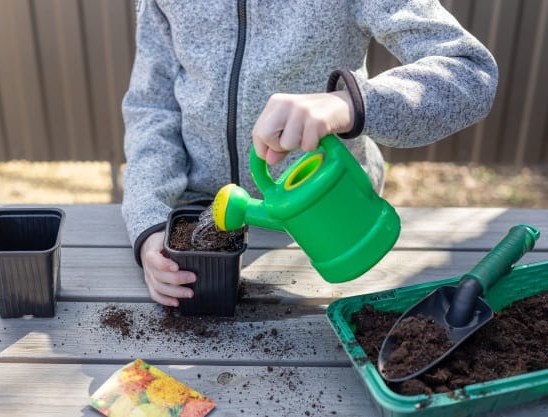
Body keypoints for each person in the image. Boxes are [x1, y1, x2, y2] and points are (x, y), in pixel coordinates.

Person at [121, 1, 498, 307]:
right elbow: (151, 107)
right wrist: (150, 225)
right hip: (198, 222)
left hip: (329, 226)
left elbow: (470, 72)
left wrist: (351, 104)